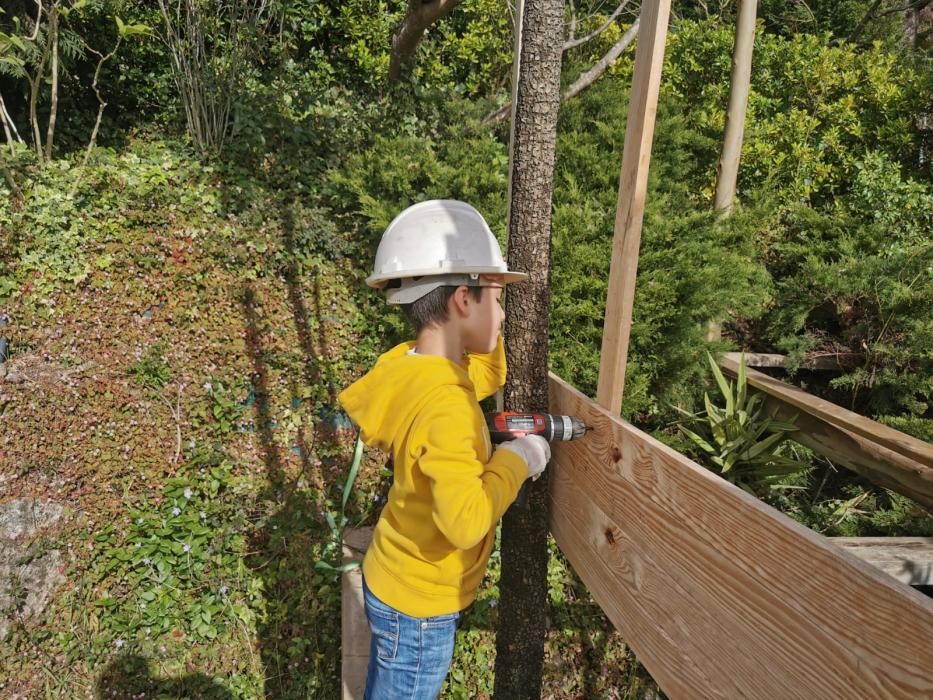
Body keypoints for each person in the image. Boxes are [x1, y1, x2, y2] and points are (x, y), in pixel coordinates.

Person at [338, 200, 551, 700]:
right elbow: (466, 521)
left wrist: (488, 325)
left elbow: (486, 375)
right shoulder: (448, 406)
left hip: (393, 573)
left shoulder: (410, 369)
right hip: (420, 610)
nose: (502, 314)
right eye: (497, 300)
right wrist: (518, 460)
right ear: (461, 299)